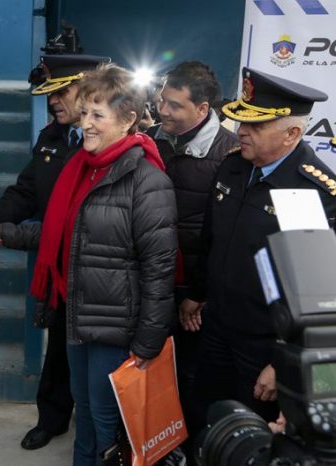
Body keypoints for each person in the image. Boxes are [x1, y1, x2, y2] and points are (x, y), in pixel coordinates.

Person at [0, 63, 177, 465]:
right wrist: (5, 232)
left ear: (128, 120)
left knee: (104, 418)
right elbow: (61, 233)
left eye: (98, 115)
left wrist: (148, 340)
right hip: (78, 316)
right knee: (85, 412)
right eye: (85, 114)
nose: (87, 125)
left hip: (116, 328)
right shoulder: (81, 167)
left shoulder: (147, 180)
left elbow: (159, 268)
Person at [0, 54, 109, 451]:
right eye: (50, 93)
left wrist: (11, 234)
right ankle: (53, 419)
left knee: (98, 360)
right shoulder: (51, 138)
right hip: (59, 268)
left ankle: (100, 431)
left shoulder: (109, 145)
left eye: (63, 91)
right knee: (59, 347)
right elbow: (26, 192)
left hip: (100, 272)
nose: (55, 100)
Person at [182, 68, 335, 437]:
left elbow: (322, 301)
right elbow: (211, 240)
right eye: (240, 122)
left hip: (265, 348)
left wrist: (283, 362)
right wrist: (196, 294)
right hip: (216, 328)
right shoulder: (233, 167)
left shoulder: (315, 193)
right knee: (205, 419)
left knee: (250, 435)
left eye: (255, 126)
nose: (240, 132)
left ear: (292, 134)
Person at [146, 61, 238, 422]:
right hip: (149, 281)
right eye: (162, 101)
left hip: (194, 295)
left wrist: (197, 296)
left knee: (189, 376)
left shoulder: (230, 155)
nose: (162, 110)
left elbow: (223, 236)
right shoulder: (148, 140)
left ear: (203, 110)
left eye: (174, 105)